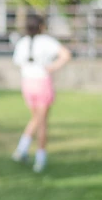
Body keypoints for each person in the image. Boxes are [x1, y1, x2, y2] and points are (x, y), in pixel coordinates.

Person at [11, 14, 72, 172]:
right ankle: (39, 158)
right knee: (41, 122)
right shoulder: (46, 41)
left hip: (28, 84)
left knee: (36, 119)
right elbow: (66, 55)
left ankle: (22, 149)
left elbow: (18, 63)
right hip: (42, 83)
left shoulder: (22, 42)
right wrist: (53, 67)